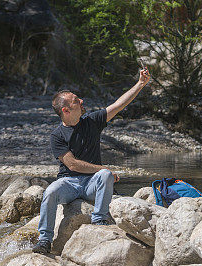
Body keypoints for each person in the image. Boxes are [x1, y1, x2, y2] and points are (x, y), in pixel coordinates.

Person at [33, 66, 151, 254]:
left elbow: (119, 105)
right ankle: (44, 240)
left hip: (91, 185)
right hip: (69, 183)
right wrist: (102, 168)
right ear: (66, 110)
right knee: (50, 191)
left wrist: (140, 84)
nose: (81, 101)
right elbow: (71, 164)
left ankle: (99, 220)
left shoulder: (92, 121)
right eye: (75, 101)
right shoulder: (57, 135)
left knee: (104, 175)